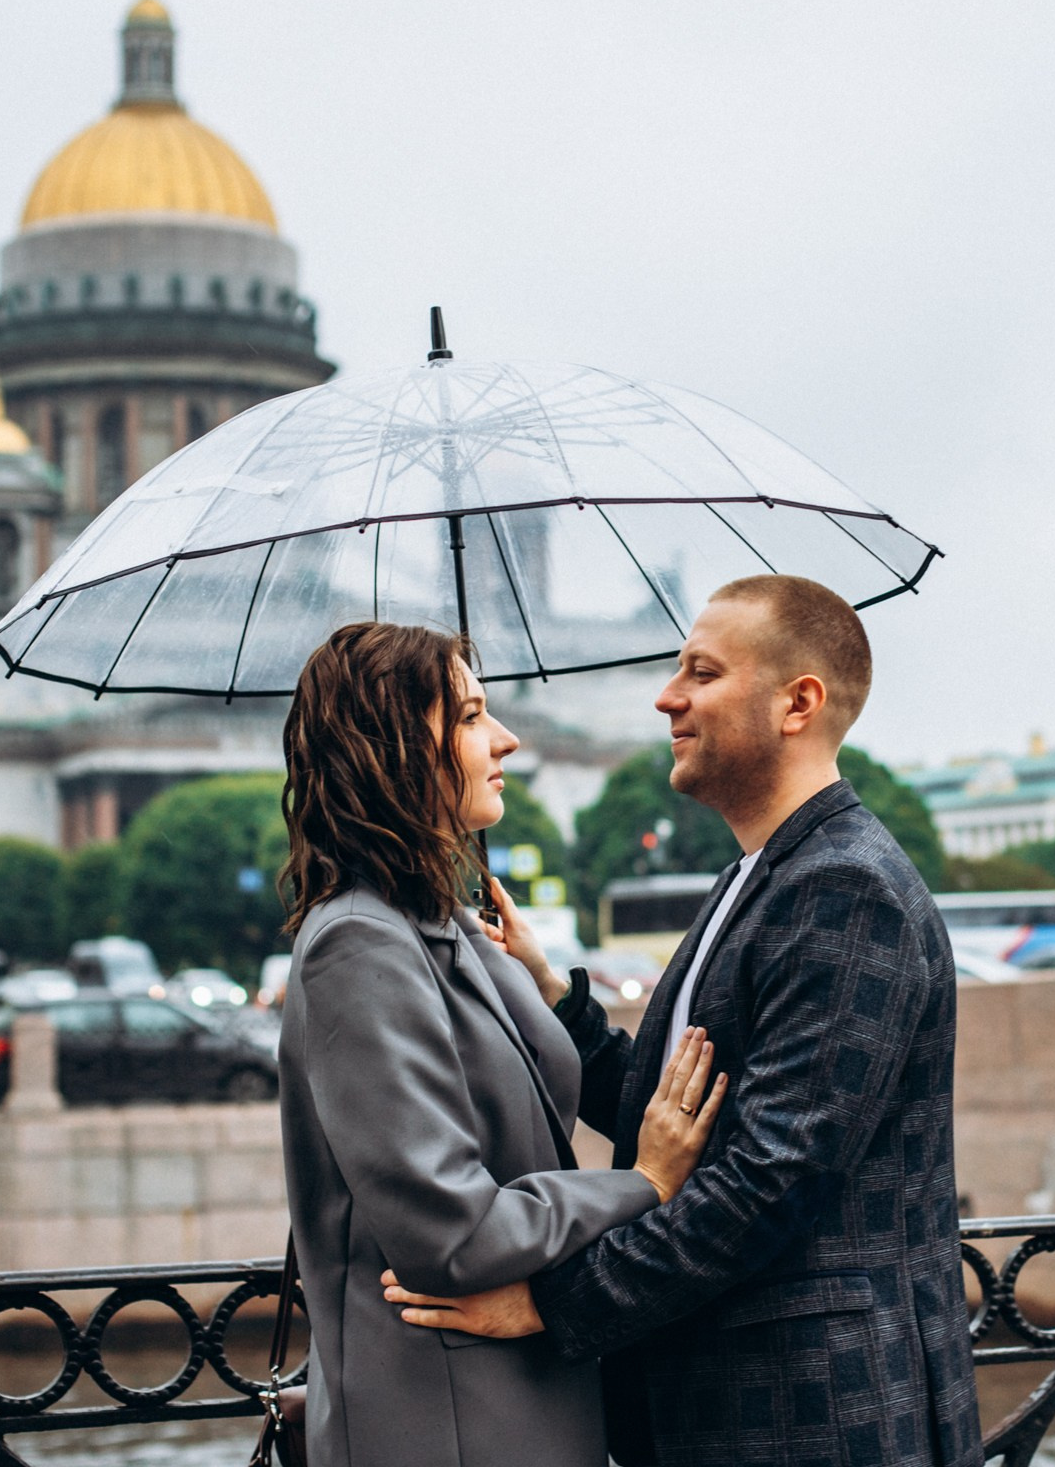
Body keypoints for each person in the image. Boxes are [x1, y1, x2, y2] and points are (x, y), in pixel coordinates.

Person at [384, 575, 983, 1467]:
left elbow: (766, 1181)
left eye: (700, 673)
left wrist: (553, 1302)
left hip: (814, 1415)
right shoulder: (762, 873)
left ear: (798, 703)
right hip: (750, 1407)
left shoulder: (844, 888)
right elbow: (680, 1112)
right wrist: (553, 995)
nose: (668, 697)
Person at [276, 621, 728, 1467]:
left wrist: (533, 977)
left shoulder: (436, 923)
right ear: (396, 748)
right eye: (473, 715)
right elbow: (454, 1231)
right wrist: (644, 1184)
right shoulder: (358, 943)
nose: (508, 738)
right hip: (447, 1420)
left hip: (515, 1395)